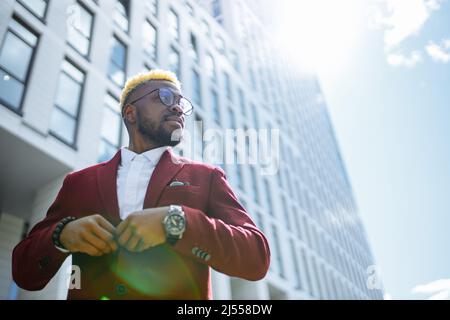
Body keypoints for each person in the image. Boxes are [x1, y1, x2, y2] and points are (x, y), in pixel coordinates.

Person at [12, 69, 271, 299]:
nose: (178, 108)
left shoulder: (207, 177)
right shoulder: (78, 182)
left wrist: (175, 222)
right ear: (130, 112)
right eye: (166, 97)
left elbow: (256, 257)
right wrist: (62, 235)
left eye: (181, 102)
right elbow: (23, 272)